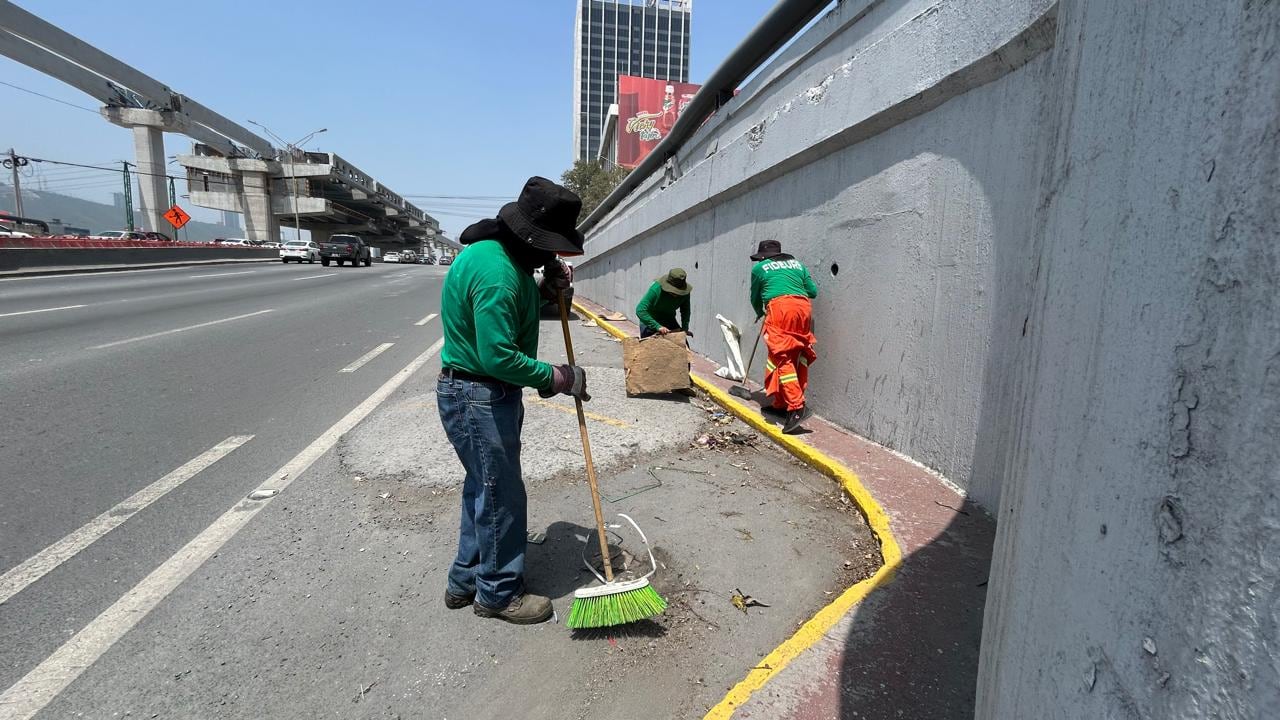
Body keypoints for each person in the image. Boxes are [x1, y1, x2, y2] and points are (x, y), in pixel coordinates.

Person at [437, 176, 589, 625]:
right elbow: (498, 355)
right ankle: (499, 593)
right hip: (480, 393)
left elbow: (517, 315)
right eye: (550, 250)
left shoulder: (501, 259)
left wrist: (547, 290)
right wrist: (557, 377)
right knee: (502, 496)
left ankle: (464, 581)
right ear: (531, 240)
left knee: (482, 488)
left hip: (479, 392)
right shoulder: (499, 274)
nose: (553, 258)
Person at [749, 239, 819, 434]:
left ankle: (797, 407)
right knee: (794, 352)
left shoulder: (760, 268)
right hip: (803, 308)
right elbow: (812, 292)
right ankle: (780, 404)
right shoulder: (798, 265)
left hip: (780, 309)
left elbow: (755, 297)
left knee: (782, 355)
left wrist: (760, 312)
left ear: (763, 257)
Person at [635, 268, 692, 338]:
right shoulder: (656, 289)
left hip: (669, 319)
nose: (675, 294)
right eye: (673, 291)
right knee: (649, 347)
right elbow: (640, 310)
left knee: (681, 345)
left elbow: (685, 311)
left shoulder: (685, 293)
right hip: (650, 320)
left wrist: (684, 329)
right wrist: (657, 326)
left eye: (678, 292)